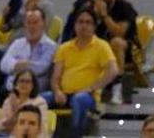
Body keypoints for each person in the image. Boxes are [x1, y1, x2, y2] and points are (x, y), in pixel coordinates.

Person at [50, 8, 118, 137]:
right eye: (80, 22)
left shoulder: (101, 46)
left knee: (79, 99)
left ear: (94, 26)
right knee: (39, 99)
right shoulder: (64, 47)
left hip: (88, 95)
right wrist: (57, 91)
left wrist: (92, 88)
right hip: (64, 94)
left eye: (88, 22)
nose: (84, 25)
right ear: (75, 25)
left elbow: (113, 70)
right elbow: (55, 77)